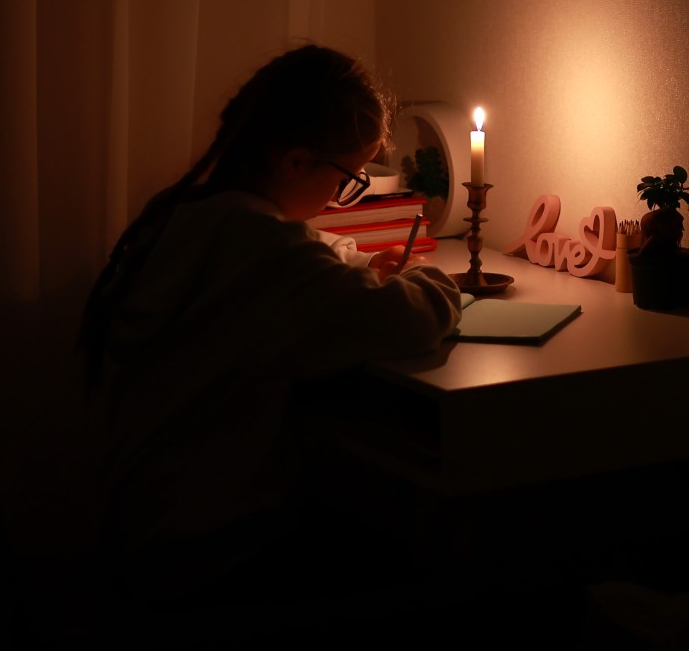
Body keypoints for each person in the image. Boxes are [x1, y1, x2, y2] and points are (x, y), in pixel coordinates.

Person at [75, 43, 465, 633]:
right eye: (347, 178)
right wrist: (429, 278)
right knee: (437, 555)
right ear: (294, 162)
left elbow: (298, 254)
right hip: (209, 549)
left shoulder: (190, 217)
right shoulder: (261, 251)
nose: (341, 197)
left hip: (140, 525)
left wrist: (355, 265)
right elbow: (413, 317)